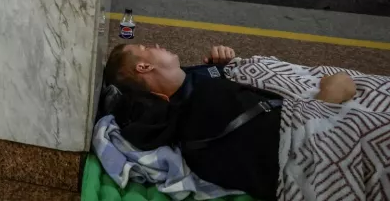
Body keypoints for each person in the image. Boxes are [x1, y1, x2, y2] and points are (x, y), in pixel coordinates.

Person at [102, 43, 359, 201]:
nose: (156, 44)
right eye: (146, 47)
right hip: (328, 119)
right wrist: (329, 94)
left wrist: (228, 64)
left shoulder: (201, 81)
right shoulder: (203, 107)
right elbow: (302, 125)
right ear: (144, 67)